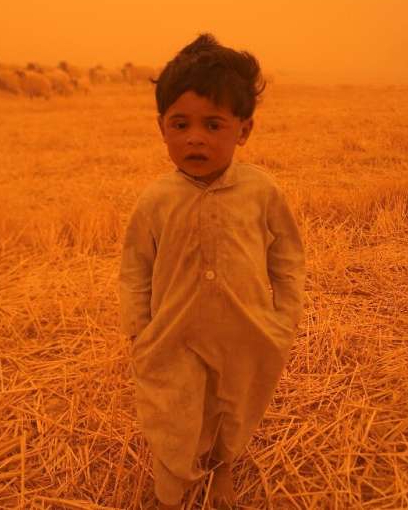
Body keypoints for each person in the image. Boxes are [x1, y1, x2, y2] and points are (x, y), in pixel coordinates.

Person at [119, 33, 305, 509]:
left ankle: (222, 470)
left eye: (213, 124)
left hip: (245, 331)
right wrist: (139, 329)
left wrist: (283, 319)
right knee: (174, 413)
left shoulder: (261, 193)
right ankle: (171, 491)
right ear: (161, 127)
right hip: (172, 334)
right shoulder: (156, 200)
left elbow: (287, 259)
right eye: (180, 124)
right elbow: (135, 268)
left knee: (233, 408)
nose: (195, 137)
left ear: (243, 130)